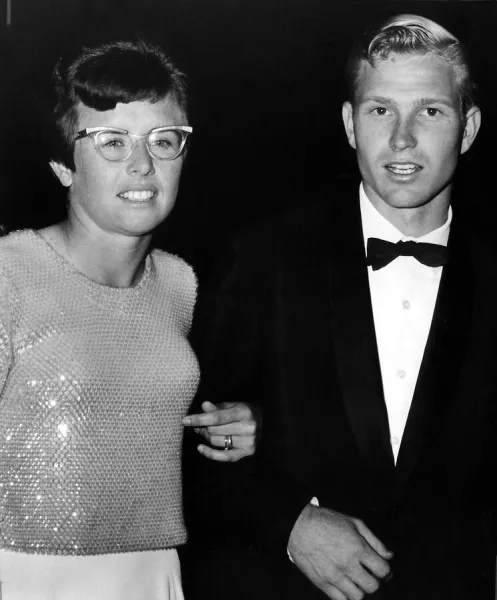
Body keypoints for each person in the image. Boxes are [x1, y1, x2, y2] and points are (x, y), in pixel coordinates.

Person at [183, 14, 497, 600]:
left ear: (469, 127)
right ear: (352, 123)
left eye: (430, 110)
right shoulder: (263, 257)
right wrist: (290, 523)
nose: (402, 139)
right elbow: (192, 448)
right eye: (381, 110)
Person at [0, 39, 260, 600]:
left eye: (164, 141)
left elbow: (154, 430)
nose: (143, 163)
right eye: (112, 142)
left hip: (154, 575)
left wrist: (244, 425)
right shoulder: (8, 274)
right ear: (62, 165)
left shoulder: (182, 284)